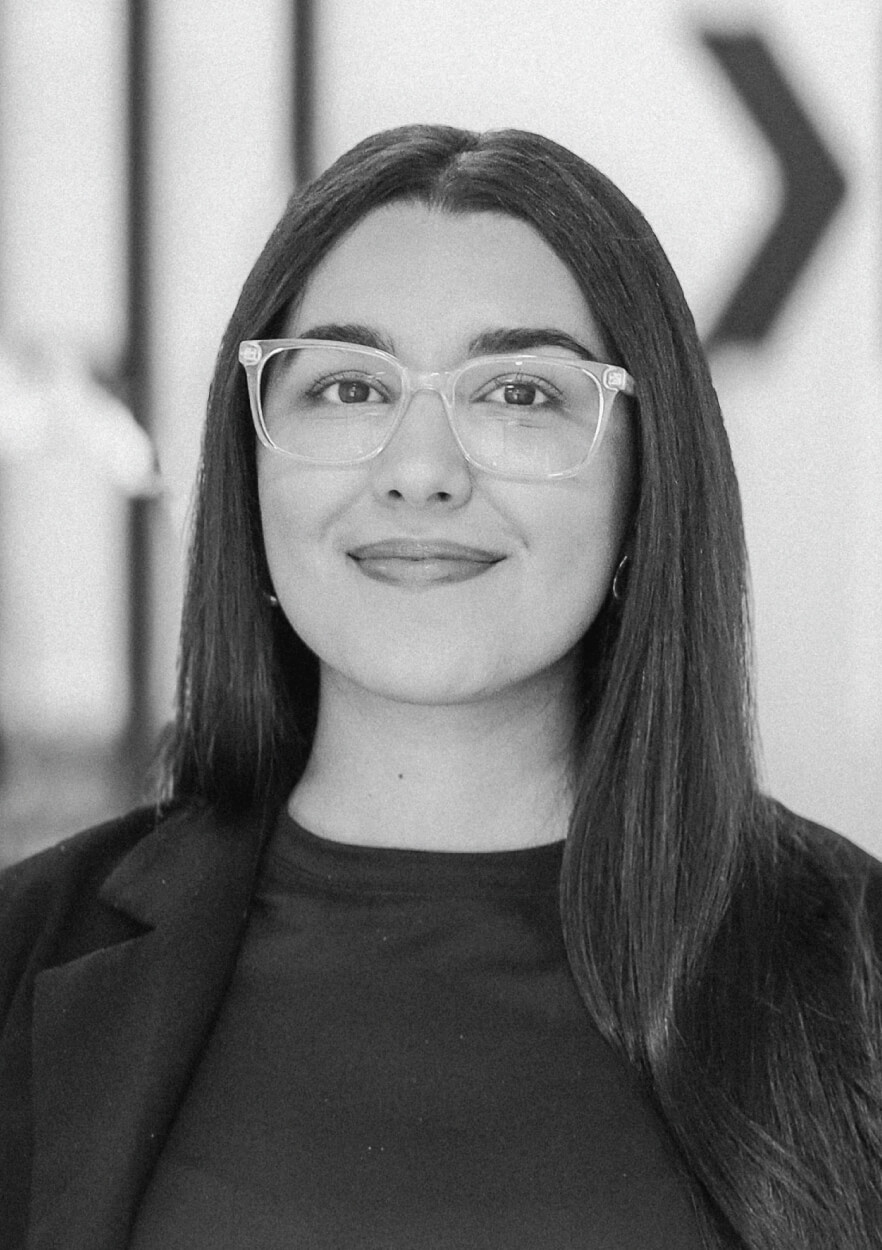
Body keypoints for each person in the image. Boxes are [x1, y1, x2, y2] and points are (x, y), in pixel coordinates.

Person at [1, 124, 880, 1250]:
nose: (420, 472)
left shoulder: (854, 969)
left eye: (517, 392)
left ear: (644, 481)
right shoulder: (28, 954)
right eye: (347, 387)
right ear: (252, 467)